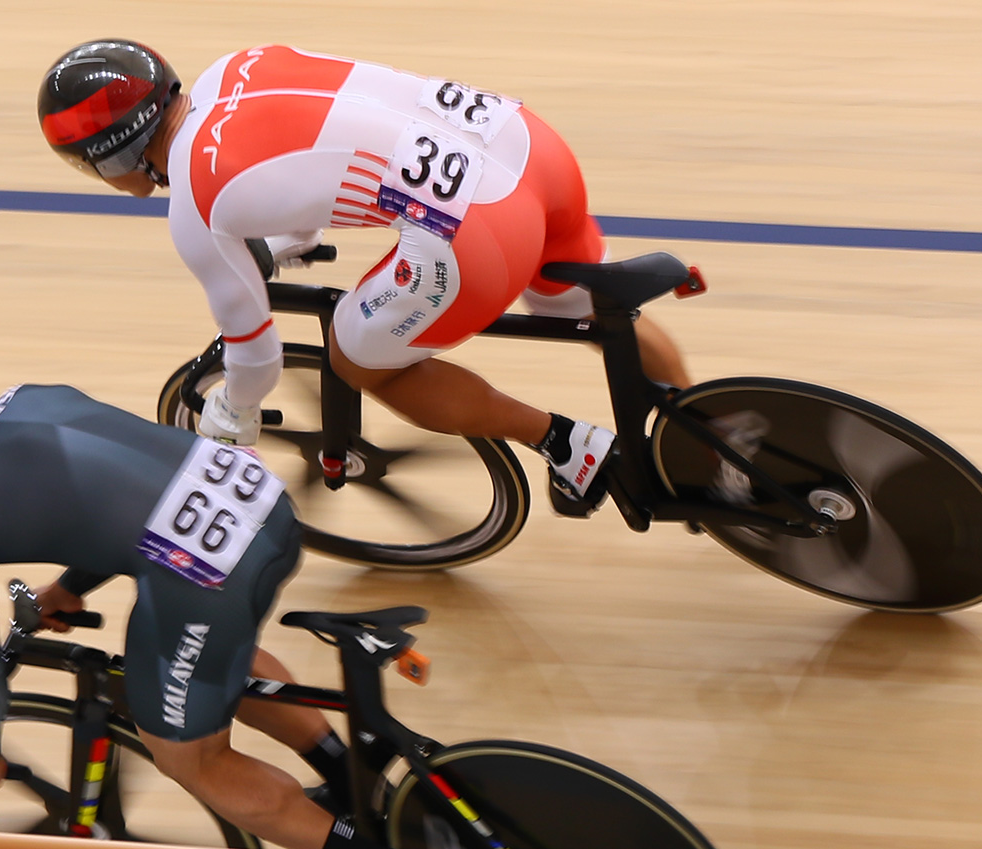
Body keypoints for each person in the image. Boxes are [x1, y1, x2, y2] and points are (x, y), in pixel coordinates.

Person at [0, 334, 447, 849]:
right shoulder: (33, 397)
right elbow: (122, 497)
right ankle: (347, 777)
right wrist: (70, 586)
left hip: (206, 576)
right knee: (199, 662)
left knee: (191, 758)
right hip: (266, 509)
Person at [38, 39, 693, 517]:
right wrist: (292, 237)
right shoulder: (236, 64)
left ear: (114, 152)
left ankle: (566, 443)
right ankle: (711, 445)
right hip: (529, 146)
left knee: (357, 360)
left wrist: (231, 415)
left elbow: (256, 354)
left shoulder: (196, 206)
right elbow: (329, 141)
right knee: (585, 313)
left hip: (484, 227)